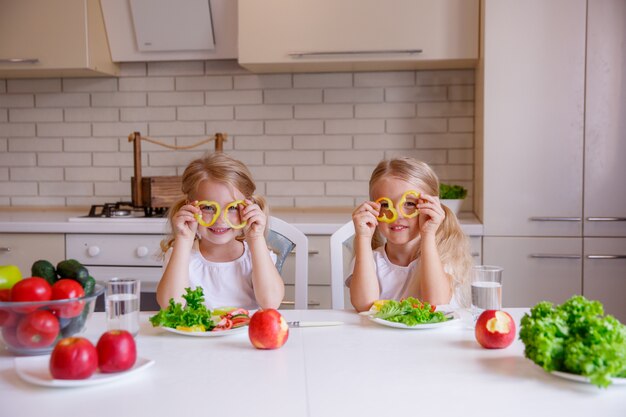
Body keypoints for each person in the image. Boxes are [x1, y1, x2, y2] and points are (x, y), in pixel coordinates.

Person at [156, 152, 284, 310]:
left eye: (233, 208)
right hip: (195, 335)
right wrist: (184, 239)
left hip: (246, 334)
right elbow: (170, 307)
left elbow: (270, 304)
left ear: (248, 207)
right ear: (190, 207)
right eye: (209, 207)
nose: (220, 219)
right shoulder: (181, 255)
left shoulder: (255, 255)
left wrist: (256, 239)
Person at [348, 157, 472, 312]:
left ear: (431, 208)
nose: (398, 214)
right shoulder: (368, 259)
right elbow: (364, 306)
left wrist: (428, 234)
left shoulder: (444, 257)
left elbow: (437, 303)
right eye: (385, 205)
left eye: (409, 204)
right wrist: (363, 238)